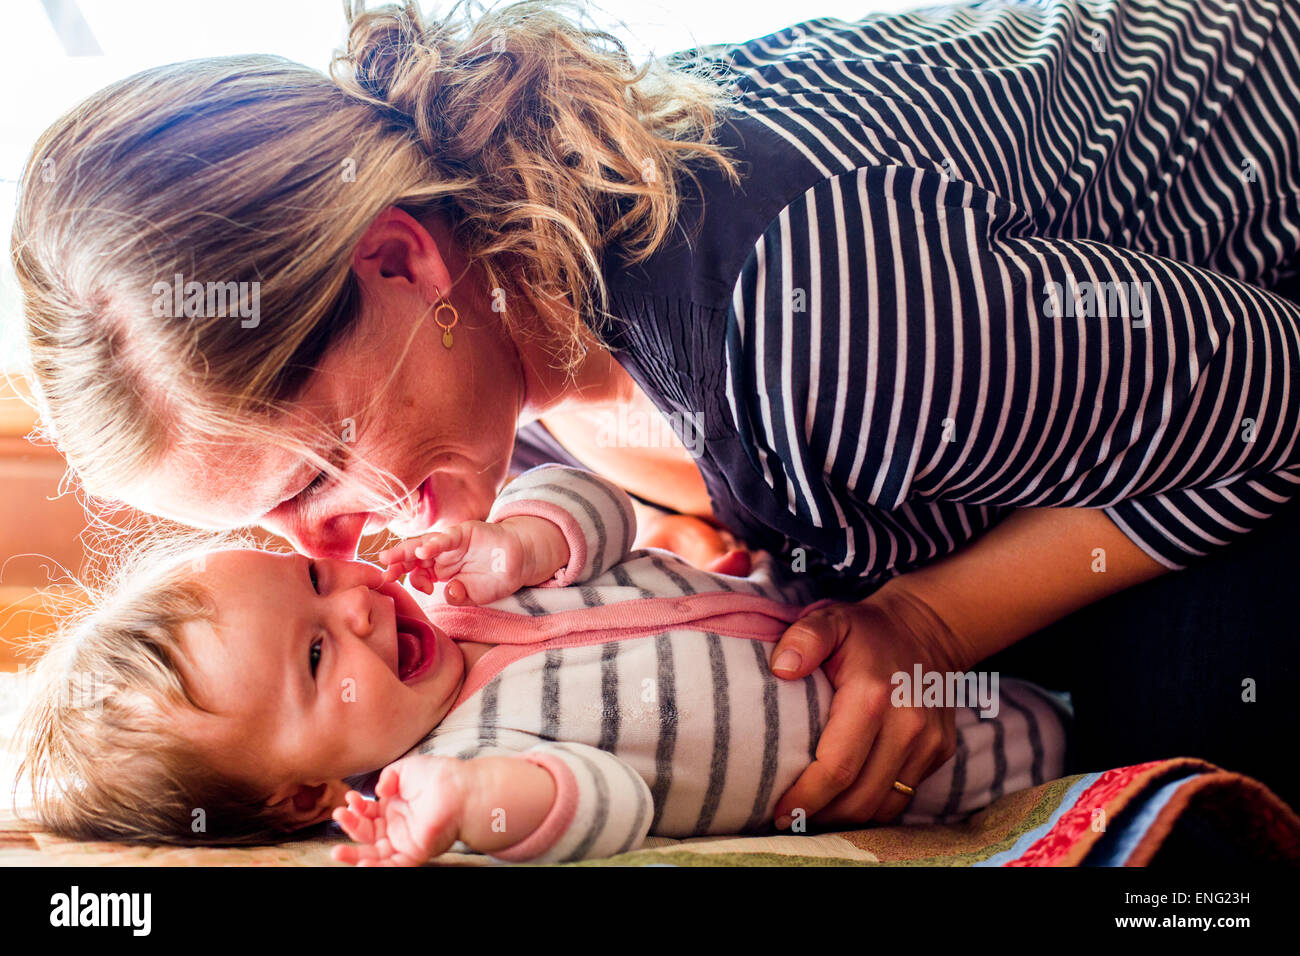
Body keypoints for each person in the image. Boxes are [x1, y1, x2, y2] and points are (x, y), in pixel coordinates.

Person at [10, 0, 1300, 823]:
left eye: (312, 481)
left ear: (399, 261)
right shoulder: (500, 300)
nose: (337, 552)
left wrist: (924, 615)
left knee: (1188, 724)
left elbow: (1273, 399)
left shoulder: (815, 327)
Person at [13, 465, 1066, 862]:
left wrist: (522, 539)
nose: (361, 603)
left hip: (916, 598)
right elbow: (607, 803)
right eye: (318, 651)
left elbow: (601, 503)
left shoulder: (461, 584)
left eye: (313, 580)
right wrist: (472, 803)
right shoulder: (464, 760)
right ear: (302, 793)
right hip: (947, 761)